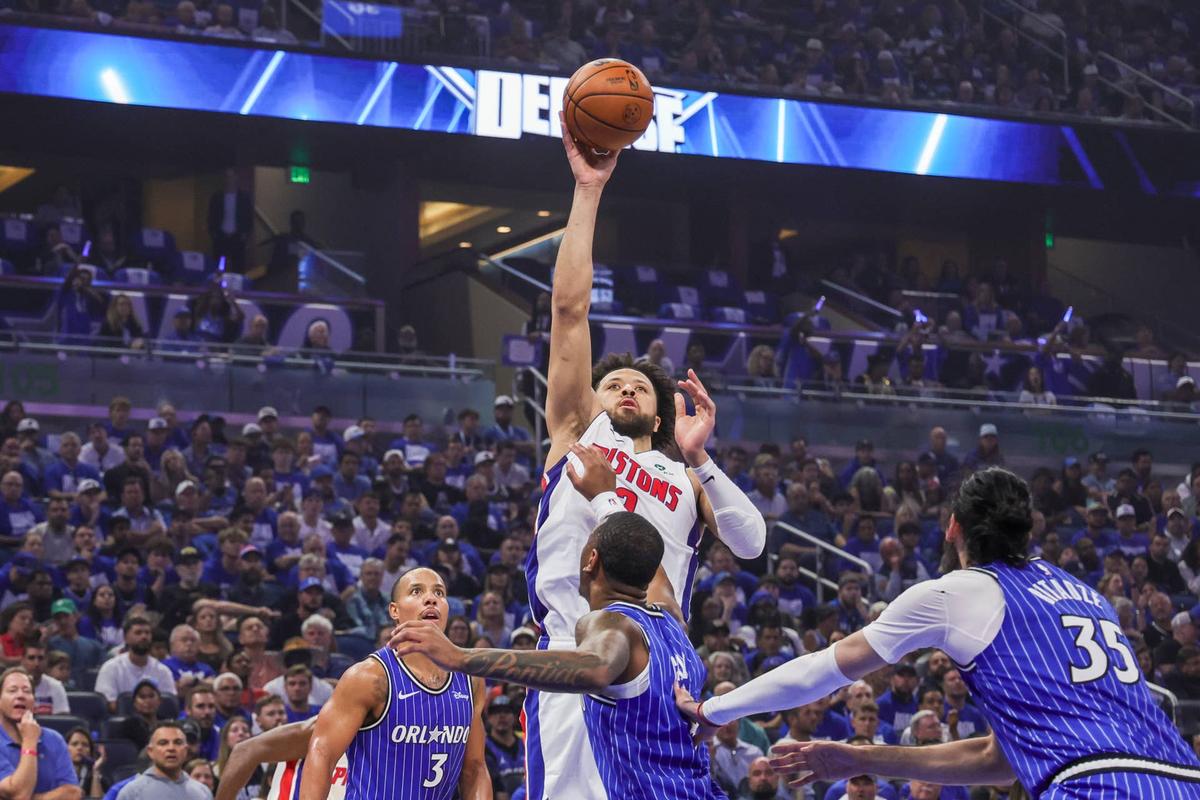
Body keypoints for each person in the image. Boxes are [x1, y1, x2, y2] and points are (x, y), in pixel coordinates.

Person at [678, 467, 1200, 796]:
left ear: (952, 527)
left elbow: (821, 670)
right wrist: (859, 757)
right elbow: (997, 759)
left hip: (1096, 786)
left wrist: (712, 710)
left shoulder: (957, 592)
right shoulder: (1088, 596)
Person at [523, 122, 765, 799]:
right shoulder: (577, 433)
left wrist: (702, 460)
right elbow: (569, 312)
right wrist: (587, 190)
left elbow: (752, 545)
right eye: (613, 382)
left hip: (661, 667)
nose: (627, 386)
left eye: (642, 387)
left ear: (661, 416)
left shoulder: (683, 478)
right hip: (575, 657)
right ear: (593, 401)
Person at [393, 508, 720, 799]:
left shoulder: (613, 624)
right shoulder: (673, 621)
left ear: (591, 560)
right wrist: (605, 498)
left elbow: (595, 668)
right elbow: (647, 557)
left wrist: (461, 657)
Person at [293, 567, 490, 800]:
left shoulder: (471, 679)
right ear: (395, 611)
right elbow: (322, 753)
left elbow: (475, 768)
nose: (431, 598)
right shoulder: (369, 677)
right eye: (416, 591)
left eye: (439, 593)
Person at [0, 667, 80, 800]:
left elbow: (73, 793)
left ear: (34, 702)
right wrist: (30, 742)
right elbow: (19, 794)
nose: (20, 695)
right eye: (12, 690)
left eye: (27, 691)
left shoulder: (54, 739)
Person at [94, 616, 178, 711]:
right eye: (138, 633)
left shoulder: (162, 670)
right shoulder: (111, 668)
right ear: (126, 638)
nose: (144, 637)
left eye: (147, 633)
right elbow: (108, 704)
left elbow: (169, 703)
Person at [115, 720, 211, 800]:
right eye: (163, 743)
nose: (171, 748)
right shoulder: (131, 793)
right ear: (150, 751)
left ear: (186, 750)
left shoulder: (202, 792)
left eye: (178, 742)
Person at [66, 726, 106, 798]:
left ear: (90, 751)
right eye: (74, 744)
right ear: (66, 748)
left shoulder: (94, 773)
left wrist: (95, 772)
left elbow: (96, 799)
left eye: (85, 745)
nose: (80, 748)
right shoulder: (57, 772)